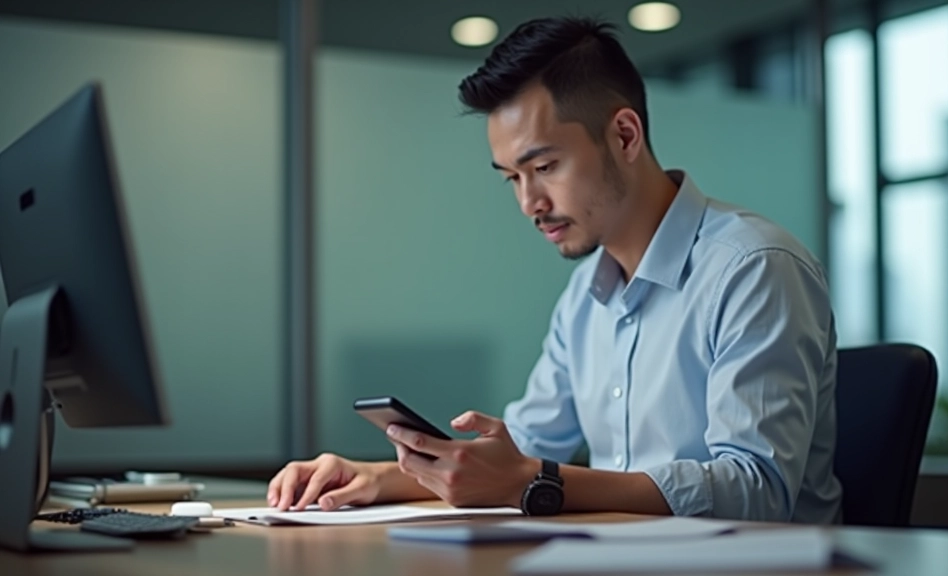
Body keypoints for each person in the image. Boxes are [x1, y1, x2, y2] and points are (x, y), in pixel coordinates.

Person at [266, 15, 843, 523]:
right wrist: (374, 477)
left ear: (624, 136)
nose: (529, 203)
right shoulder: (585, 296)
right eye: (512, 178)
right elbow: (526, 449)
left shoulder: (754, 269)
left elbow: (757, 491)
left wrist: (537, 482)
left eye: (544, 166)